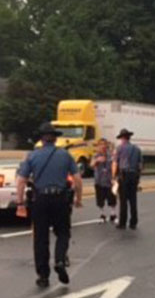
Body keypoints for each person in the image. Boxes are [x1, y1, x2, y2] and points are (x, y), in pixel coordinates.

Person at [16, 123, 83, 288]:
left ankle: (43, 276)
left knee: (40, 238)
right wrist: (78, 199)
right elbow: (78, 179)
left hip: (40, 200)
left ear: (41, 139)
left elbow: (21, 181)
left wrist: (20, 203)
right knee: (63, 233)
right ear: (55, 138)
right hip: (60, 199)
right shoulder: (66, 155)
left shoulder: (32, 156)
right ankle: (60, 260)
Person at [112, 128, 143, 230]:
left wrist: (113, 176)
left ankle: (122, 222)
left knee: (123, 200)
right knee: (133, 200)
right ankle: (133, 222)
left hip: (124, 175)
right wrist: (138, 177)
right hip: (134, 175)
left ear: (122, 138)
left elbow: (115, 163)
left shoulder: (119, 148)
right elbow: (140, 165)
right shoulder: (137, 149)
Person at [91, 138, 116, 224]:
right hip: (99, 181)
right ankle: (102, 214)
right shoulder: (96, 155)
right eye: (101, 144)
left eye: (104, 144)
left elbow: (114, 165)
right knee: (100, 199)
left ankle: (113, 213)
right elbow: (91, 165)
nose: (103, 146)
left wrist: (114, 177)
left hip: (109, 181)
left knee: (112, 197)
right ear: (98, 146)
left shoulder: (111, 155)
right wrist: (96, 161)